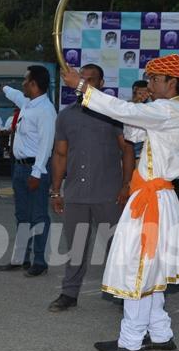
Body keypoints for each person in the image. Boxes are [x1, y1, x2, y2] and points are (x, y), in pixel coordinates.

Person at [61, 53, 179, 351]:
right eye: (148, 78)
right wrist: (140, 107)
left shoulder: (167, 111)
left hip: (152, 200)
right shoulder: (165, 111)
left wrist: (82, 86)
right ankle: (160, 332)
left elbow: (120, 110)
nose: (149, 83)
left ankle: (131, 340)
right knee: (152, 271)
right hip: (156, 198)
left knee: (137, 267)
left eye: (154, 79)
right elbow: (133, 133)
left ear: (171, 82)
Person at [48, 64, 135, 312]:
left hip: (108, 192)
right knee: (75, 246)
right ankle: (69, 293)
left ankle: (123, 295)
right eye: (82, 79)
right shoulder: (65, 116)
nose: (84, 83)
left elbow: (127, 149)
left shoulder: (113, 113)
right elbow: (60, 154)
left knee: (115, 246)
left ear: (102, 83)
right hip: (75, 193)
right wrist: (56, 190)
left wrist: (126, 184)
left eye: (91, 80)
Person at [0, 65, 57, 277]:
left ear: (33, 84)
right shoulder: (28, 104)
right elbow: (15, 96)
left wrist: (37, 173)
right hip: (20, 168)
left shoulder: (46, 111)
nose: (21, 85)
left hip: (34, 169)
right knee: (22, 215)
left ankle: (39, 261)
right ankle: (21, 258)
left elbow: (46, 145)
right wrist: (4, 88)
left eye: (24, 81)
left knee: (38, 215)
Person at [130, 79, 150, 161]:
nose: (142, 96)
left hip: (143, 151)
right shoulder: (126, 106)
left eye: (145, 93)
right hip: (127, 148)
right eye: (140, 93)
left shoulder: (152, 108)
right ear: (134, 92)